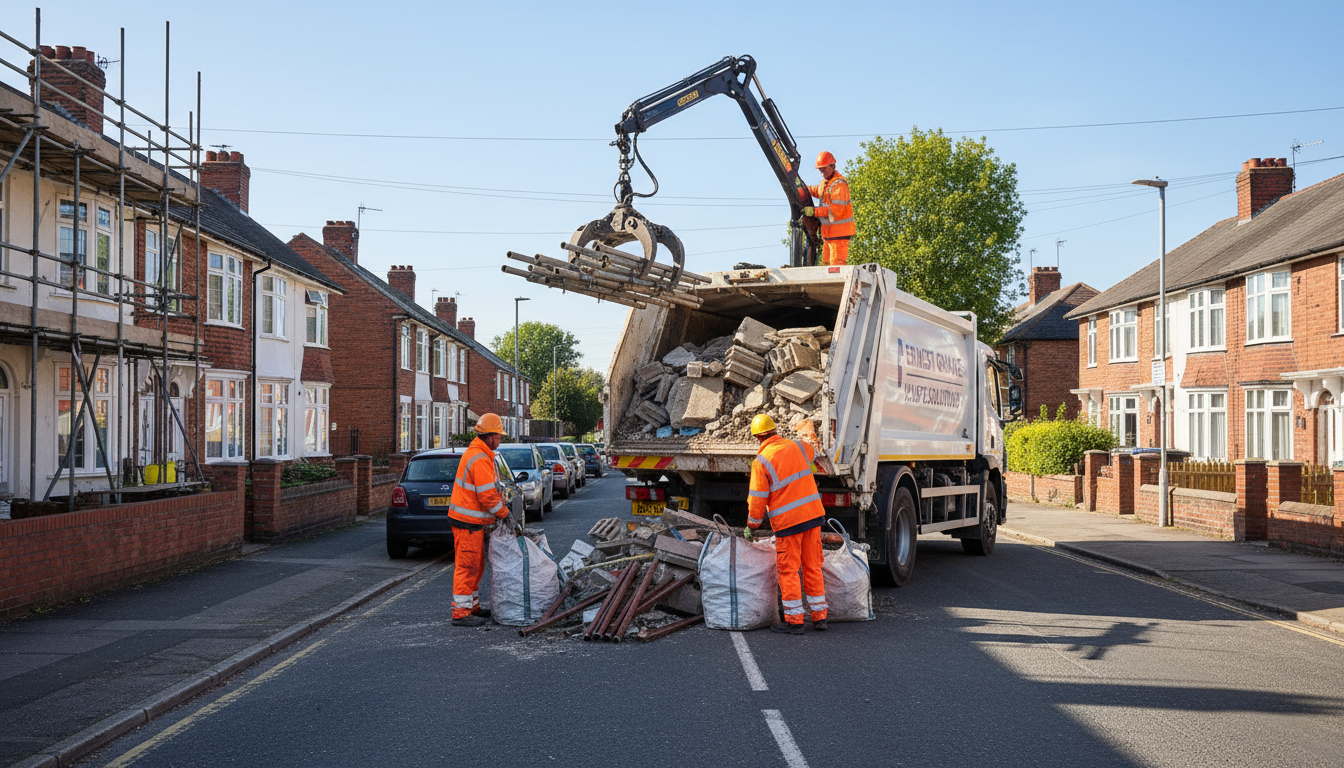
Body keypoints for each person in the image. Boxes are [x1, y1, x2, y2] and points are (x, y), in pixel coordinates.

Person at [746, 414, 828, 634]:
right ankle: (820, 618)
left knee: (788, 570)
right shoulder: (796, 447)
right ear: (775, 431)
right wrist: (804, 427)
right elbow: (813, 449)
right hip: (813, 517)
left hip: (789, 524)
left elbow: (756, 498)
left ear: (757, 438)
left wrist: (752, 524)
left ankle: (795, 621)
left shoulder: (761, 461)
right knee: (813, 566)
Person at [448, 412, 511, 627]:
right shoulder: (480, 458)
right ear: (490, 436)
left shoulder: (478, 454)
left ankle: (471, 606)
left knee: (475, 565)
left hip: (468, 521)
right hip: (467, 522)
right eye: (499, 436)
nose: (500, 440)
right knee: (467, 566)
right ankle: (461, 612)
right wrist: (505, 514)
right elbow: (486, 496)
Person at [803, 151, 854, 267]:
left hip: (839, 234)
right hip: (829, 233)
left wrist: (814, 211)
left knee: (836, 266)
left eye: (823, 169)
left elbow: (835, 210)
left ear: (833, 167)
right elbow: (817, 190)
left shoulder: (839, 185)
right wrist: (803, 188)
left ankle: (836, 285)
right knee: (826, 266)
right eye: (820, 169)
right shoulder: (826, 183)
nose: (821, 172)